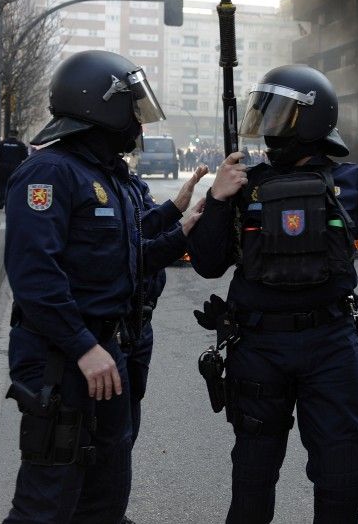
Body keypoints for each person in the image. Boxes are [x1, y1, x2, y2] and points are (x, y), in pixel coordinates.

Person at [186, 64, 358, 523]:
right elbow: (207, 263)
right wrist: (217, 199)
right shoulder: (241, 183)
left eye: (280, 114)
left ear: (310, 122)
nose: (270, 126)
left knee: (341, 480)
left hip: (328, 348)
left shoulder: (352, 181)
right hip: (258, 348)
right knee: (253, 482)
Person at [2, 49, 166, 523]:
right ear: (101, 107)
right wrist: (82, 347)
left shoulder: (105, 176)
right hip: (62, 355)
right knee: (48, 499)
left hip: (104, 349)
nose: (137, 122)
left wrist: (184, 216)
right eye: (131, 108)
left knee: (105, 492)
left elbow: (127, 257)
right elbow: (34, 276)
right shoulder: (50, 172)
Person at [121, 166, 208, 524]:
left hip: (140, 322)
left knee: (126, 425)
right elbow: (129, 256)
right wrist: (181, 227)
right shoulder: (84, 181)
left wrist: (177, 211)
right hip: (112, 327)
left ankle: (112, 509)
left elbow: (145, 228)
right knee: (103, 430)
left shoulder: (127, 183)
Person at [0, 128, 29, 208]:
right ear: (16, 135)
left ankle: (2, 200)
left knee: (2, 184)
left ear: (9, 134)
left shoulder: (2, 143)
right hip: (15, 168)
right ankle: (11, 200)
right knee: (14, 184)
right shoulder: (20, 144)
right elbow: (25, 157)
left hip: (3, 167)